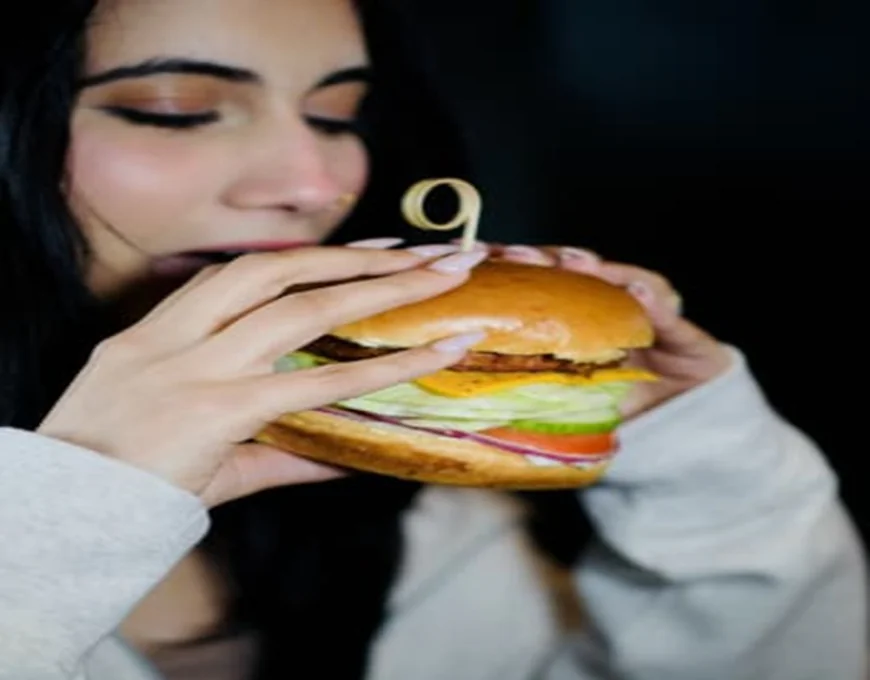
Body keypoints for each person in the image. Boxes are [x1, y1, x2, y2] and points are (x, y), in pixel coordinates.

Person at [0, 1, 865, 680]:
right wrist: (74, 507)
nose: (315, 184)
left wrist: (709, 468)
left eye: (339, 115)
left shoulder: (430, 519)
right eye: (176, 110)